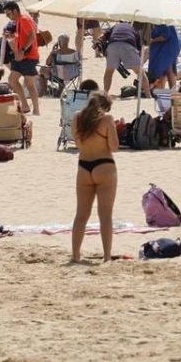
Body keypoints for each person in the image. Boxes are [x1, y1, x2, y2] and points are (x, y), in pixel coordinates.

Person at [68, 92, 118, 264]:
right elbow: (114, 147)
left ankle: (75, 255)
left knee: (81, 214)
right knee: (105, 215)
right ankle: (106, 256)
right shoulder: (107, 120)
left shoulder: (77, 118)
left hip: (84, 166)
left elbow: (78, 144)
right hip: (104, 165)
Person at [2, 1, 41, 115]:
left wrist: (23, 49)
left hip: (29, 56)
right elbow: (24, 36)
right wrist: (13, 37)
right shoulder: (19, 20)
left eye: (8, 13)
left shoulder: (24, 19)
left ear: (15, 11)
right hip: (21, 56)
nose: (7, 16)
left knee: (29, 84)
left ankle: (36, 110)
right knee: (12, 80)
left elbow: (31, 35)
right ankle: (25, 106)